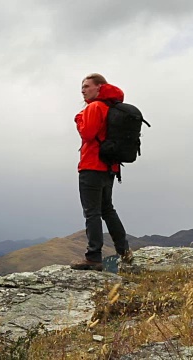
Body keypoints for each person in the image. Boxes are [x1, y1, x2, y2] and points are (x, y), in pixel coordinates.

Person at [70, 73, 133, 271]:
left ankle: (93, 257)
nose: (83, 90)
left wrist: (79, 118)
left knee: (92, 212)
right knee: (107, 209)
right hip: (109, 167)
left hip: (92, 166)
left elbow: (87, 133)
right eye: (82, 86)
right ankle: (124, 251)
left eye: (87, 86)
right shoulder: (110, 107)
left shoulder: (95, 107)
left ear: (99, 88)